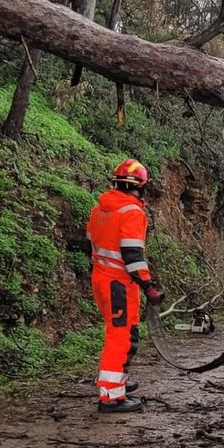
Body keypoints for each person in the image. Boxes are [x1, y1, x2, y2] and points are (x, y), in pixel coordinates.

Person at [85, 159, 163, 413]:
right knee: (121, 337)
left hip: (101, 278)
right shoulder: (131, 212)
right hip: (119, 283)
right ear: (139, 187)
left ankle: (117, 381)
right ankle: (111, 396)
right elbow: (133, 256)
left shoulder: (100, 209)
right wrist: (149, 286)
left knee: (118, 332)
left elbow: (91, 242)